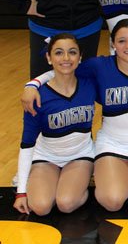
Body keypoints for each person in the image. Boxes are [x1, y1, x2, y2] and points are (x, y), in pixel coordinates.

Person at [24, 20, 128, 211]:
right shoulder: (99, 66)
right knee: (112, 201)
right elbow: (64, 68)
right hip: (112, 142)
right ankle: (83, 183)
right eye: (122, 41)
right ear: (113, 43)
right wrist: (33, 84)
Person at [14, 34, 95, 216]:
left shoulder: (90, 83)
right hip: (47, 157)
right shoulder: (36, 97)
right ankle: (46, 180)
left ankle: (81, 182)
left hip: (80, 155)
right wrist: (21, 192)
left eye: (72, 52)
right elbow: (27, 144)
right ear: (49, 58)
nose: (66, 58)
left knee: (66, 203)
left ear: (80, 57)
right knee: (40, 207)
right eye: (59, 53)